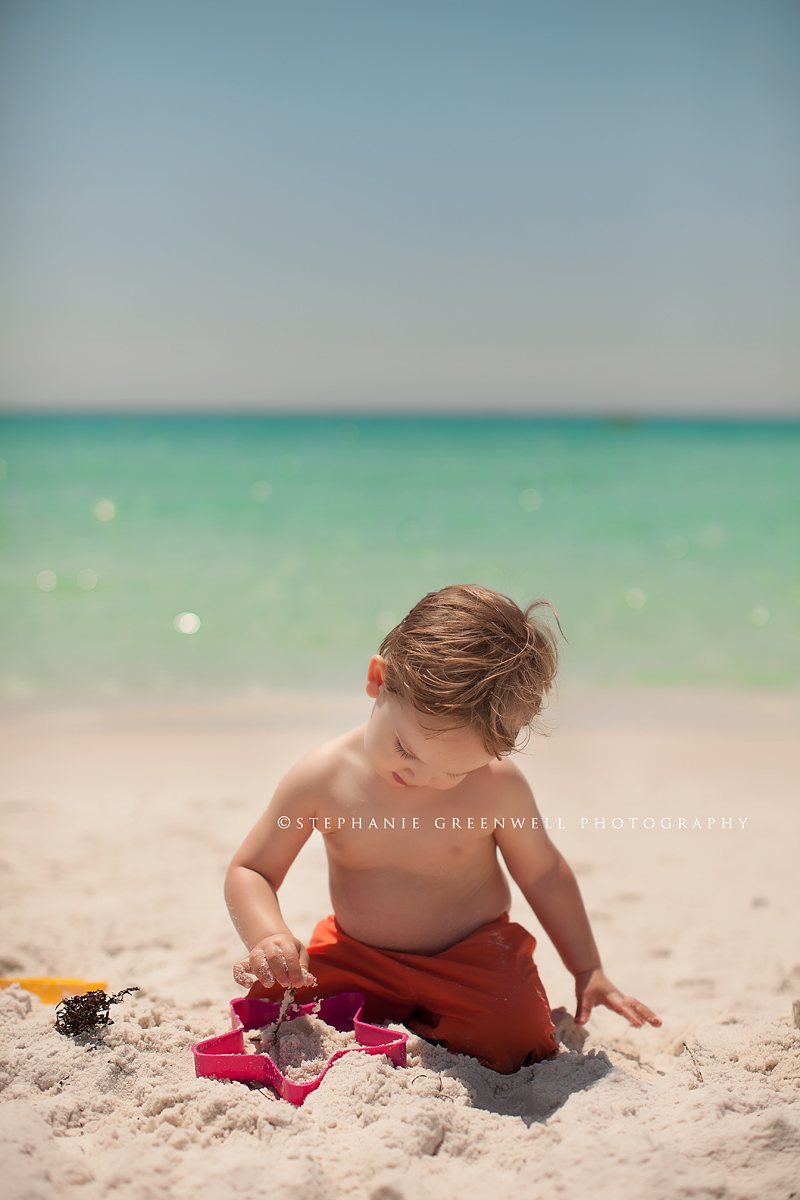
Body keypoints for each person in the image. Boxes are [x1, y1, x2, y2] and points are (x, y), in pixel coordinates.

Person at [225, 584, 660, 1074]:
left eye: (453, 771)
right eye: (407, 750)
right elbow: (252, 869)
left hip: (473, 959)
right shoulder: (322, 780)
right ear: (377, 680)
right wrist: (269, 935)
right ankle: (396, 1018)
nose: (421, 778)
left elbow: (543, 874)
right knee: (270, 1006)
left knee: (514, 1041)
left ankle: (438, 1022)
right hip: (357, 955)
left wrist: (588, 968)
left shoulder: (497, 789)